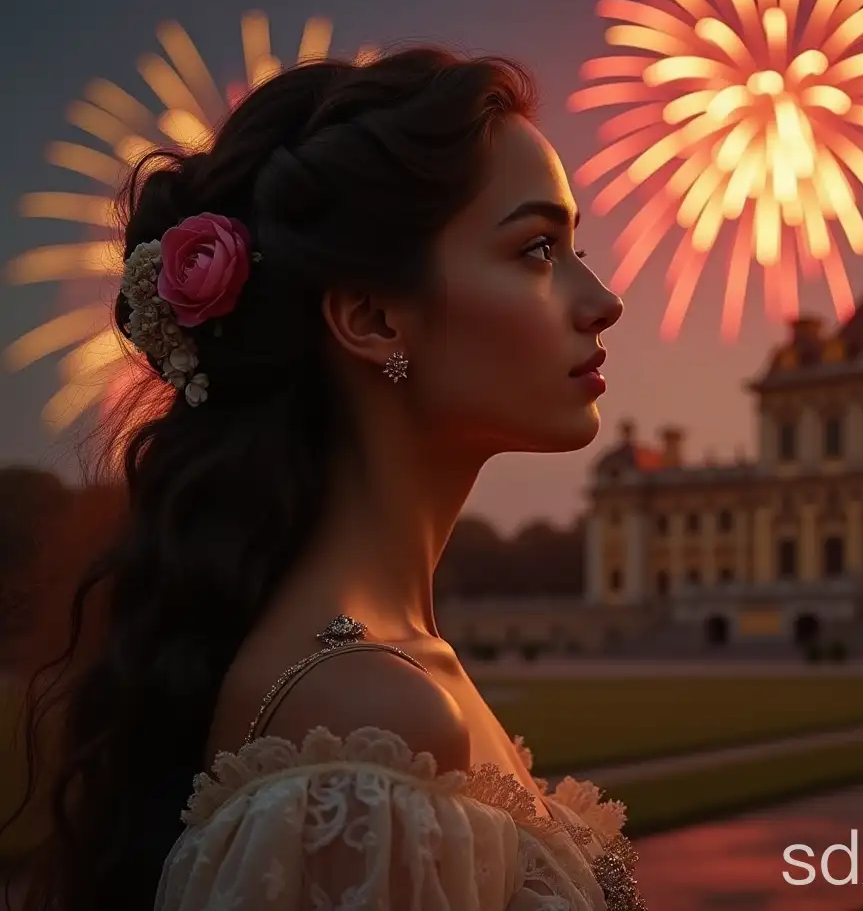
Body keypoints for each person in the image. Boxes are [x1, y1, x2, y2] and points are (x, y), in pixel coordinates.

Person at [7, 46, 641, 911]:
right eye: (537, 248)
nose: (602, 298)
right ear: (373, 318)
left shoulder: (382, 671)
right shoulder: (364, 711)